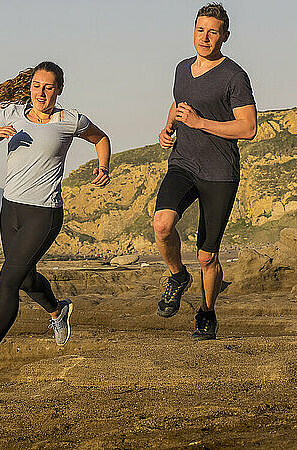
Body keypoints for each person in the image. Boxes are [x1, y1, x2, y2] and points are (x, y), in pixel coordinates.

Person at [0, 61, 111, 375]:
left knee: (8, 281)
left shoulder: (71, 120)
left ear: (59, 90)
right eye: (37, 86)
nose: (42, 93)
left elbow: (101, 139)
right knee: (26, 279)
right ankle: (58, 310)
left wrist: (103, 166)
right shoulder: (12, 115)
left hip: (44, 213)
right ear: (30, 87)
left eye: (49, 87)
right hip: (10, 209)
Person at [154, 3, 256, 340]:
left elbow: (248, 127)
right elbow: (178, 101)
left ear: (225, 35)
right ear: (193, 31)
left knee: (207, 256)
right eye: (200, 30)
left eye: (213, 31)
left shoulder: (234, 76)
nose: (205, 37)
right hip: (183, 163)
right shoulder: (182, 68)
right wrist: (168, 127)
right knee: (162, 224)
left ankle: (207, 312)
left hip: (220, 173)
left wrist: (200, 123)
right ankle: (178, 276)